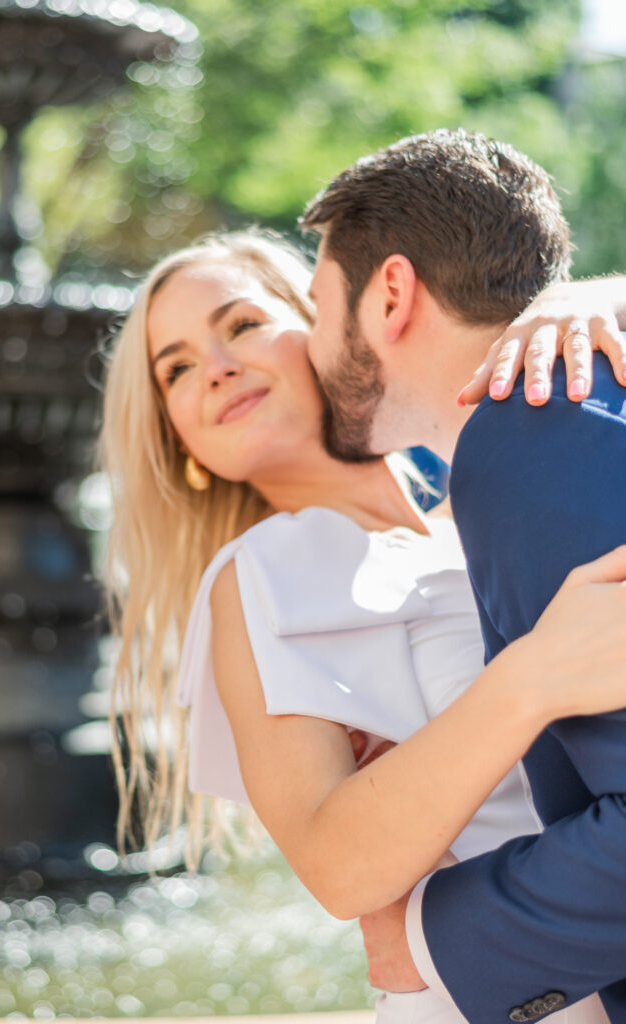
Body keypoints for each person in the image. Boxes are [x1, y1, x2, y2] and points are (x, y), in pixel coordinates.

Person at [100, 222, 625, 1022]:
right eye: (176, 370)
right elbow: (338, 868)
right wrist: (530, 678)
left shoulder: (487, 490)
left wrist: (581, 297)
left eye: (241, 324)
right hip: (486, 991)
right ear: (184, 447)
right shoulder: (259, 577)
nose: (216, 369)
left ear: (323, 328)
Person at [299, 128, 626, 1023]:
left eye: (318, 305)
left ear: (391, 293)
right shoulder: (578, 412)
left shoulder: (534, 438)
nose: (309, 342)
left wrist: (441, 940)